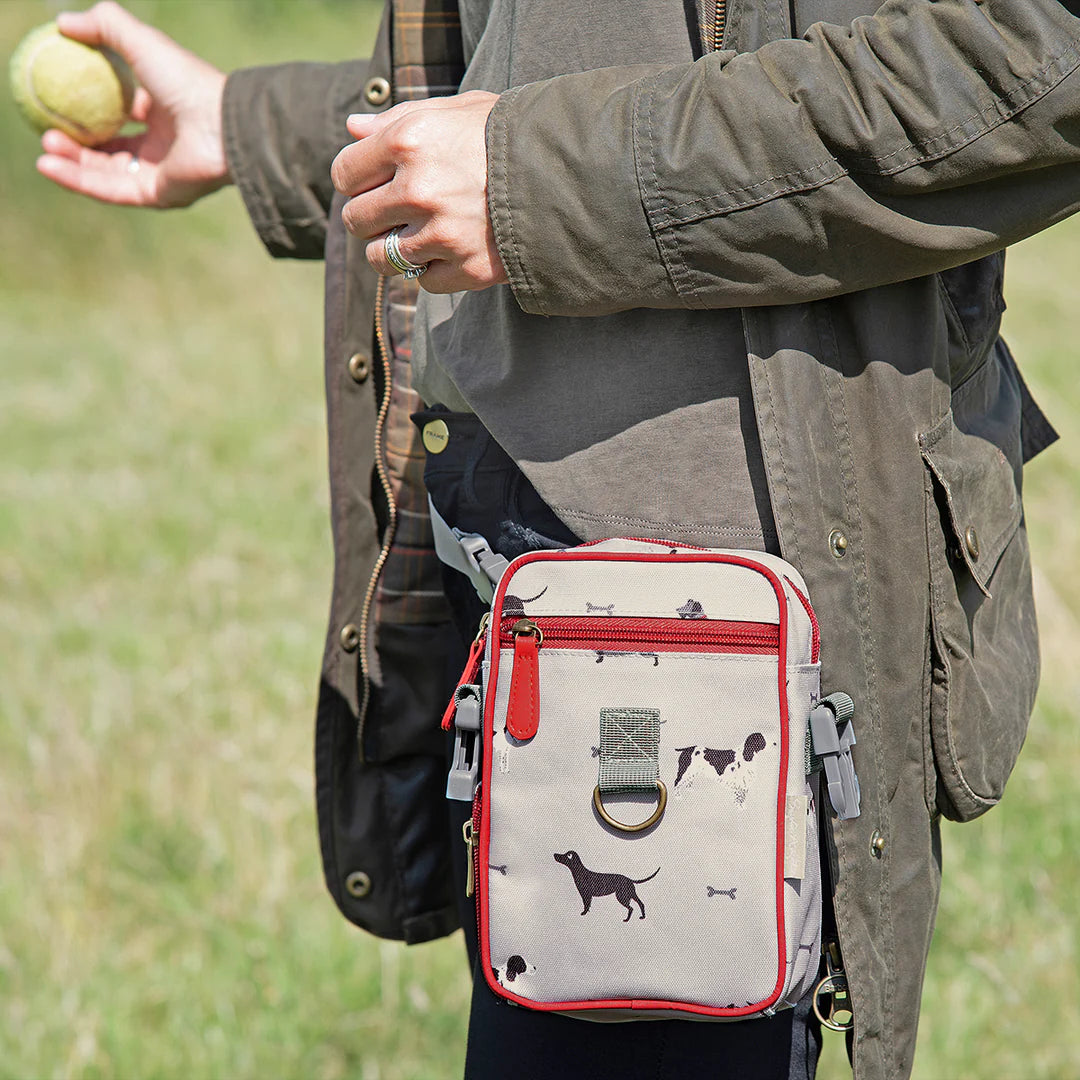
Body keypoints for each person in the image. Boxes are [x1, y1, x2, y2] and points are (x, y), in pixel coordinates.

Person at [37, 0, 1079, 1076]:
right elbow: (549, 51)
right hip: (515, 592)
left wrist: (539, 183)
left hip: (702, 635)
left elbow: (1041, 54)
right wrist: (250, 126)